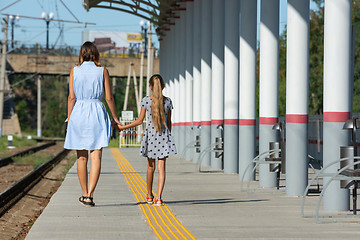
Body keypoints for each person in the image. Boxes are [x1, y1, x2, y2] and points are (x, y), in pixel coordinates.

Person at [64, 41, 120, 207]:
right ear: (96, 54)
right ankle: (90, 195)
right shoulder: (103, 71)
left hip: (79, 112)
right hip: (97, 111)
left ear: (81, 54)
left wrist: (69, 119)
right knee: (96, 156)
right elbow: (109, 97)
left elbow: (71, 98)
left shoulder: (74, 71)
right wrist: (115, 118)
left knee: (81, 157)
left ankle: (83, 193)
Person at [117, 74, 176, 206]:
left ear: (150, 86)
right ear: (163, 86)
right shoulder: (168, 101)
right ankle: (159, 198)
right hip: (163, 135)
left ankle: (149, 196)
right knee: (162, 167)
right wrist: (168, 137)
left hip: (151, 136)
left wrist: (123, 128)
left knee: (151, 167)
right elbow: (169, 122)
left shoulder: (146, 101)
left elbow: (139, 121)